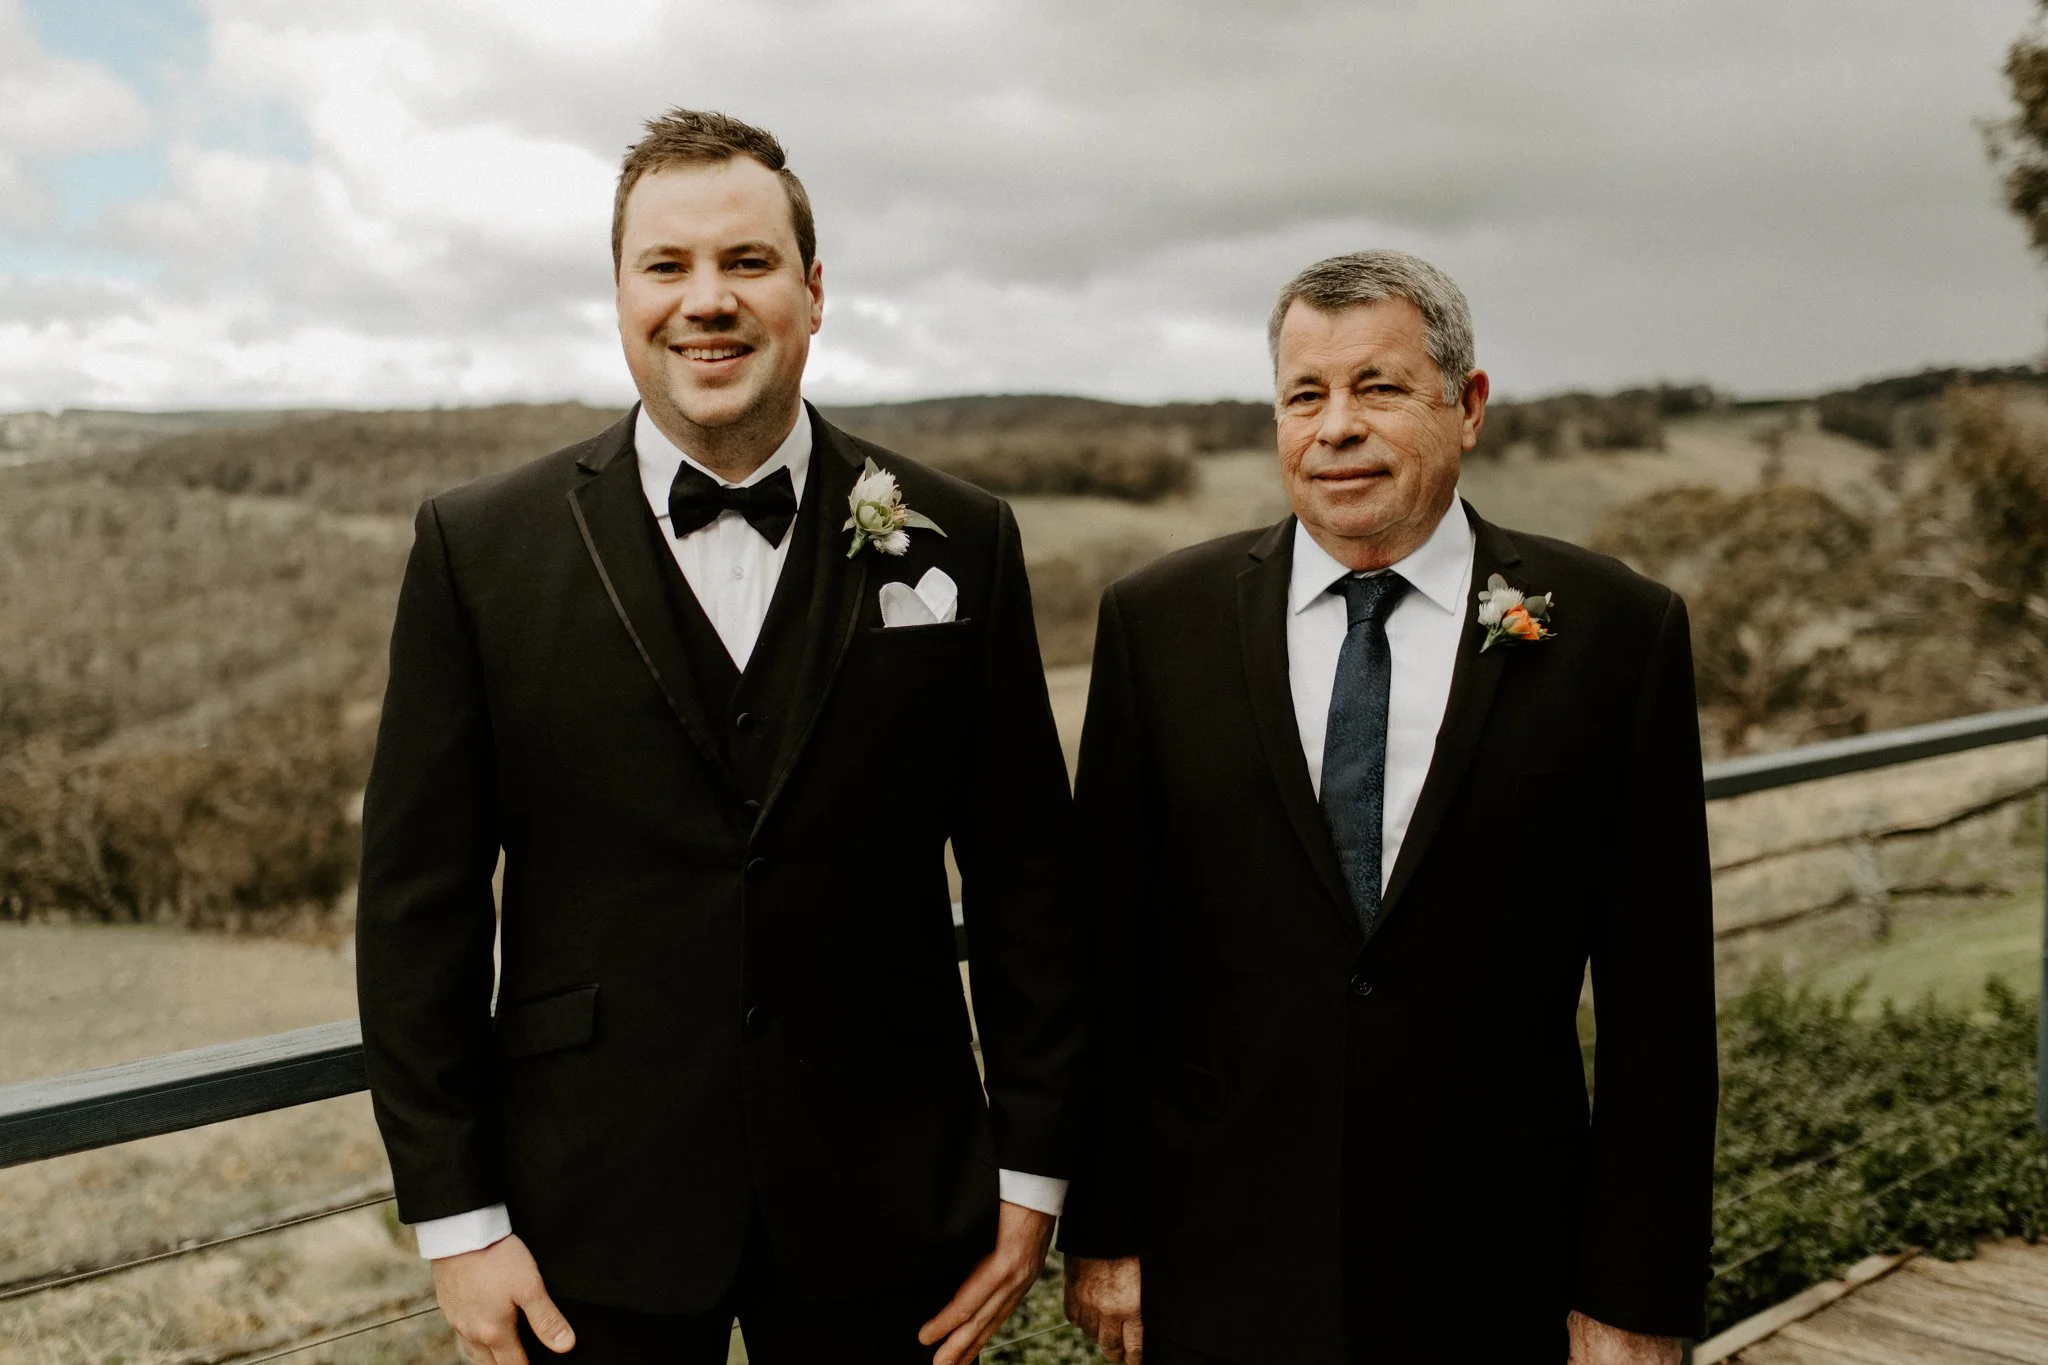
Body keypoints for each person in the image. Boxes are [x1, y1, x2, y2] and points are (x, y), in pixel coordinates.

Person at [355, 108, 1083, 1365]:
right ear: (620, 296)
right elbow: (418, 903)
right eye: (668, 265)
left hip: (893, 1205)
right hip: (579, 1215)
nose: (708, 300)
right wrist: (457, 1219)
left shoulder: (964, 536)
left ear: (812, 292)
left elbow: (1029, 879)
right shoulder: (474, 549)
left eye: (747, 262)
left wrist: (1032, 1175)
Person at [1058, 250, 1717, 1364]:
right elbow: (1110, 959)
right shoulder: (1155, 623)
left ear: (1468, 406)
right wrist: (1106, 1228)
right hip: (1217, 1263)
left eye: (1378, 387)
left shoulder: (1617, 633)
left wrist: (1635, 1293)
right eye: (1303, 395)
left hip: (1501, 1267)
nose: (1336, 428)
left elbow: (1661, 1001)